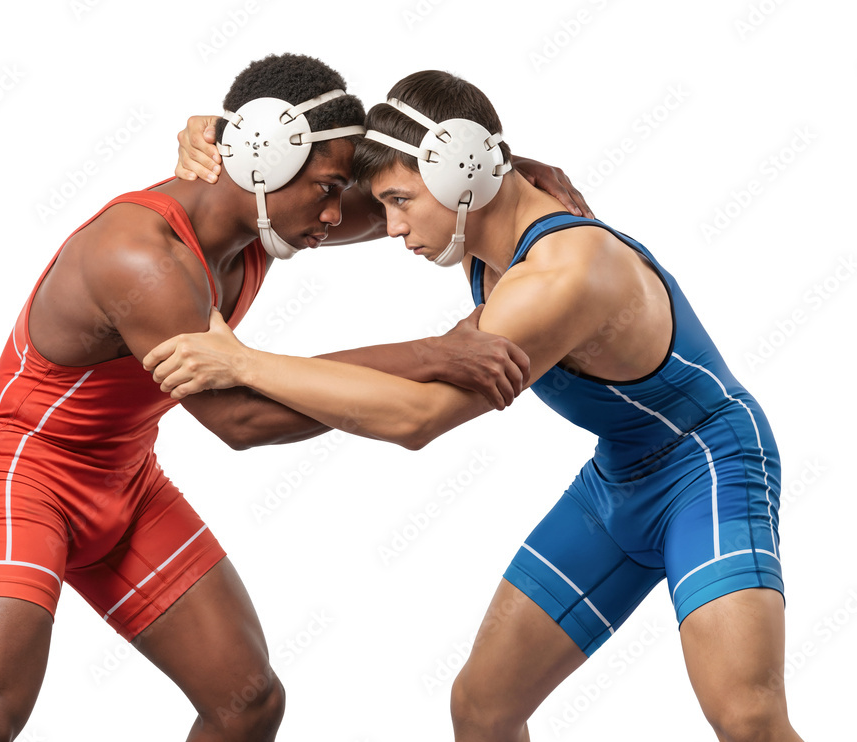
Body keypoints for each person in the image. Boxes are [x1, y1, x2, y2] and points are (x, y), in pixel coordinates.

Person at [0, 54, 589, 742]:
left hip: (123, 480)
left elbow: (406, 190)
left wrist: (499, 170)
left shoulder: (260, 223)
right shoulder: (140, 256)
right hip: (21, 473)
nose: (339, 213)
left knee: (247, 705)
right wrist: (427, 352)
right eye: (328, 189)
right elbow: (240, 417)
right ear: (261, 159)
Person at [148, 70, 805, 742]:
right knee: (484, 709)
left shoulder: (565, 273)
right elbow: (324, 185)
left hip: (709, 469)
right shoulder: (486, 236)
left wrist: (245, 361)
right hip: (619, 479)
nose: (392, 228)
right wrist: (237, 141)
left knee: (747, 718)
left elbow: (416, 418)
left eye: (401, 201)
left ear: (466, 170)